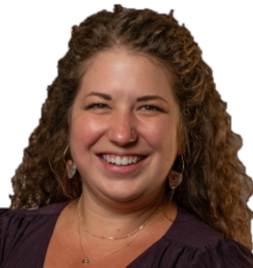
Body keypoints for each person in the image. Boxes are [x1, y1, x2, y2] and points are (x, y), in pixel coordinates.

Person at [0, 4, 253, 267]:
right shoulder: (7, 238)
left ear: (183, 131)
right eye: (100, 105)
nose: (122, 135)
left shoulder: (211, 261)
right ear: (67, 122)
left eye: (149, 107)